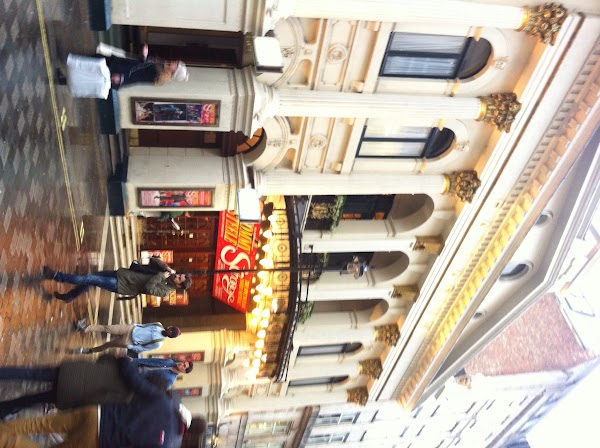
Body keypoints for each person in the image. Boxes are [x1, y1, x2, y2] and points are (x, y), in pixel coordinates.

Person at [0, 357, 192, 448]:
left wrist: (125, 361)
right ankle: (5, 440)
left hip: (95, 413)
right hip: (98, 440)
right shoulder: (165, 445)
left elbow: (129, 375)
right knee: (42, 422)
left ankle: (4, 429)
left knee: (39, 423)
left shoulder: (161, 402)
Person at [0, 355, 147, 419]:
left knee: (31, 374)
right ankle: (5, 408)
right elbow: (96, 400)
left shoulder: (130, 367)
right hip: (70, 393)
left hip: (73, 371)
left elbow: (104, 358)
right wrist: (75, 406)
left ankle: (3, 373)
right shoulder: (126, 397)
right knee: (34, 399)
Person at [43, 256, 192, 302]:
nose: (177, 276)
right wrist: (166, 267)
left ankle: (56, 276)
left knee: (89, 278)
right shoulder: (167, 272)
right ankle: (70, 297)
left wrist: (160, 276)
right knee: (90, 280)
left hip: (121, 285)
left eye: (179, 278)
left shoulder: (165, 291)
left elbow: (149, 288)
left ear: (179, 286)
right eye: (179, 275)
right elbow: (153, 260)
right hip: (123, 274)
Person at [74, 321, 181, 354]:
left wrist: (130, 346)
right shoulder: (158, 324)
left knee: (108, 344)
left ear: (170, 336)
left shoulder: (158, 343)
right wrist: (134, 325)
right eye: (171, 329)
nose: (170, 331)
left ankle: (90, 351)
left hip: (129, 341)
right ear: (170, 326)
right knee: (107, 328)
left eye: (171, 333)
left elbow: (142, 349)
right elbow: (144, 325)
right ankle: (84, 328)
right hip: (129, 329)